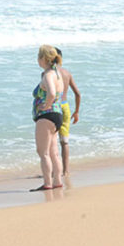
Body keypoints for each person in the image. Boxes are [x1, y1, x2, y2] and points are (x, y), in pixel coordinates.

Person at [31, 44, 64, 191]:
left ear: (43, 59)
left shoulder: (48, 75)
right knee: (53, 152)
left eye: (39, 56)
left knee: (43, 152)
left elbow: (51, 93)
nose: (37, 60)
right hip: (57, 115)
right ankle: (57, 180)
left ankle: (47, 183)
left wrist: (45, 105)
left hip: (46, 116)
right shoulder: (57, 73)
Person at [54, 48, 81, 176]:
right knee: (64, 141)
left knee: (51, 141)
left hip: (53, 108)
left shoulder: (48, 74)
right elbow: (78, 94)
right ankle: (65, 170)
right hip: (65, 107)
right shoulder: (67, 73)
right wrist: (76, 112)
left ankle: (54, 171)